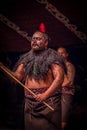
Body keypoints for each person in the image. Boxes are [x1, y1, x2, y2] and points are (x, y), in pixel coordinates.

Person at [0, 31, 66, 130]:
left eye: (38, 39)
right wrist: (3, 68)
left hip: (48, 102)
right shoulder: (26, 58)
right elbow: (17, 77)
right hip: (30, 103)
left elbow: (59, 78)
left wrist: (45, 95)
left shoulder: (52, 56)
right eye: (33, 39)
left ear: (46, 43)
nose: (34, 41)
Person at [57, 47, 76, 130]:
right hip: (58, 93)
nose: (60, 55)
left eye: (62, 53)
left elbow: (70, 82)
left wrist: (54, 88)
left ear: (66, 54)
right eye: (58, 53)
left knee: (63, 117)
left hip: (66, 93)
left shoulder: (69, 65)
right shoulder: (58, 67)